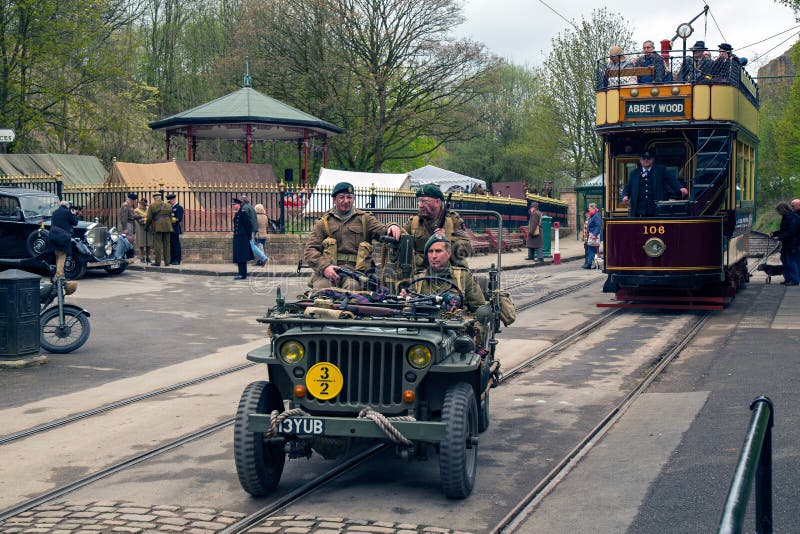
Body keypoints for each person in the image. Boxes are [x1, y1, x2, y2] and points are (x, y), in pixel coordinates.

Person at [303, 182, 402, 290]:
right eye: (341, 197)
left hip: (356, 272)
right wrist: (324, 267)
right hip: (329, 270)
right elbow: (310, 250)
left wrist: (392, 226)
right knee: (322, 290)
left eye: (349, 197)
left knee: (352, 290)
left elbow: (382, 230)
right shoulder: (323, 222)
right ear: (334, 200)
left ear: (353, 199)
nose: (346, 201)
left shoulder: (365, 219)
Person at [408, 235, 485, 312]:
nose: (434, 256)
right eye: (430, 251)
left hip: (455, 322)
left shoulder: (463, 276)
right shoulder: (418, 279)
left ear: (448, 254)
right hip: (425, 323)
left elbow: (480, 310)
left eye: (438, 251)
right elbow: (407, 308)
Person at [404, 184, 472, 268]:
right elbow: (402, 240)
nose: (420, 205)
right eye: (419, 201)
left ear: (438, 202)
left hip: (450, 272)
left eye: (425, 201)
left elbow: (467, 248)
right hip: (421, 272)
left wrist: (447, 240)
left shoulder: (453, 220)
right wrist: (393, 225)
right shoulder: (414, 222)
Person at [621, 150, 687, 217]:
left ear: (652, 159)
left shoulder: (661, 170)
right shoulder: (634, 173)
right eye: (644, 158)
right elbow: (628, 187)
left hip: (656, 210)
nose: (646, 160)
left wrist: (680, 188)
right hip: (639, 211)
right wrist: (625, 196)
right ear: (640, 160)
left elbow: (672, 180)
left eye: (648, 158)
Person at [771, 202, 800, 286]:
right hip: (787, 242)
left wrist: (779, 237)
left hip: (792, 243)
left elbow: (791, 232)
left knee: (790, 261)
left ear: (782, 210)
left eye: (779, 211)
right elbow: (784, 230)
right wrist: (775, 233)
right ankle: (788, 278)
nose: (779, 213)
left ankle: (794, 280)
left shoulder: (793, 217)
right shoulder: (786, 217)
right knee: (784, 259)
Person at [49, 200, 78, 278]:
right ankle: (59, 275)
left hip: (54, 237)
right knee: (62, 256)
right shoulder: (67, 212)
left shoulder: (54, 212)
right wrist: (74, 214)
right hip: (63, 238)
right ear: (67, 206)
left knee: (58, 256)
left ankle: (60, 274)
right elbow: (75, 222)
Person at [146, 192, 172, 266]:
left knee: (158, 245)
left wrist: (147, 227)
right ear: (160, 198)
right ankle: (167, 262)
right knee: (167, 244)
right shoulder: (168, 205)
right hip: (167, 226)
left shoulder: (152, 205)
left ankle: (158, 262)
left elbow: (149, 218)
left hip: (158, 226)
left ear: (154, 198)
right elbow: (170, 217)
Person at [241, 195, 267, 266]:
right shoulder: (251, 208)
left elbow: (245, 219)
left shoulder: (245, 208)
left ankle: (263, 257)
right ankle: (242, 260)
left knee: (251, 245)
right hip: (254, 230)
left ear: (243, 202)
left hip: (249, 230)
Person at [231, 198, 253, 279]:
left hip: (243, 238)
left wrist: (248, 236)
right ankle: (241, 273)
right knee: (239, 256)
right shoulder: (237, 213)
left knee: (242, 257)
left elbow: (248, 226)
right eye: (233, 205)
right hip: (238, 238)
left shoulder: (243, 213)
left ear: (239, 205)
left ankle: (243, 274)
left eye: (234, 204)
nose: (233, 206)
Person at [582, 203, 602, 269]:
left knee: (592, 250)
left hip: (594, 236)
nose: (589, 210)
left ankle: (590, 264)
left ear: (593, 208)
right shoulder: (594, 215)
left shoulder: (596, 215)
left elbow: (598, 225)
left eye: (590, 209)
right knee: (592, 249)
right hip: (592, 235)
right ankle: (591, 263)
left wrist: (594, 234)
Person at [166, 193, 183, 265]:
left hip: (175, 228)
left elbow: (178, 219)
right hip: (170, 228)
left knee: (176, 245)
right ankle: (172, 259)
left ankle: (177, 260)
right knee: (171, 245)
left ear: (173, 199)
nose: (169, 202)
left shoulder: (179, 207)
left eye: (170, 201)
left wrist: (169, 219)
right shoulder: (171, 207)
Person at [133, 198, 152, 263]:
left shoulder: (148, 209)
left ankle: (148, 257)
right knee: (141, 243)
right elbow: (137, 218)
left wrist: (145, 218)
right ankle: (142, 257)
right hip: (140, 228)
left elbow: (151, 217)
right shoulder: (136, 210)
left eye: (144, 205)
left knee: (148, 243)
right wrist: (144, 218)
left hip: (148, 228)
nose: (143, 206)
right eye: (141, 204)